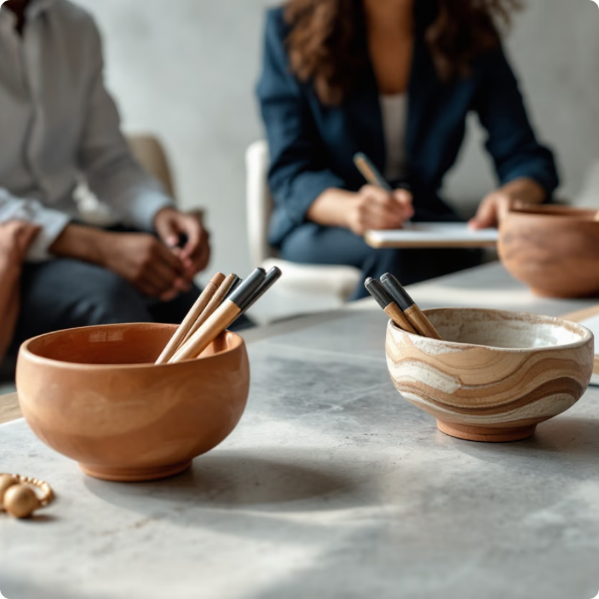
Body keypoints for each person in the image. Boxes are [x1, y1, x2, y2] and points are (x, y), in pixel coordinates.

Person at [257, 0, 559, 299]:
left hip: (420, 220)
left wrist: (514, 195)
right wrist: (352, 209)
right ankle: (387, 348)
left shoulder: (469, 31)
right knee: (399, 258)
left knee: (476, 253)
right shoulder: (289, 30)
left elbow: (525, 156)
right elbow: (289, 172)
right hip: (323, 223)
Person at [0, 0, 211, 353]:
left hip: (65, 241)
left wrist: (161, 213)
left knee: (202, 307)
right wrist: (100, 248)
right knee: (110, 301)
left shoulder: (75, 25)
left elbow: (107, 159)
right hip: (12, 260)